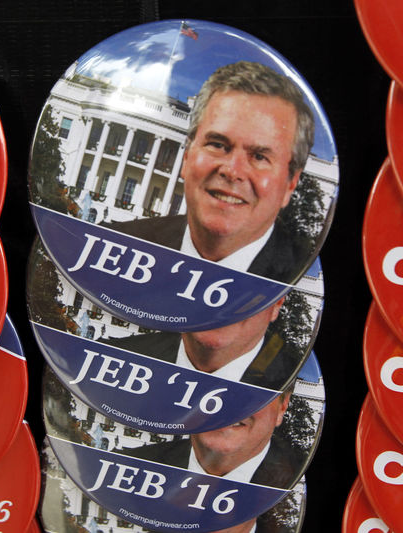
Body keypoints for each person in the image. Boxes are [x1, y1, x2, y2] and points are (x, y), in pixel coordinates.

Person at [110, 61, 316, 282]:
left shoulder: (295, 282)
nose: (232, 170)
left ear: (290, 184)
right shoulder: (117, 241)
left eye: (259, 157)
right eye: (218, 145)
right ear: (187, 156)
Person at [103, 296, 302, 391]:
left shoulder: (284, 375)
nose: (221, 298)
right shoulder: (111, 356)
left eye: (246, 290)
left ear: (277, 304)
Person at [121, 391, 300, 490]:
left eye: (251, 388)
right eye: (212, 383)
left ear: (282, 406)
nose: (225, 404)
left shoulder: (291, 485)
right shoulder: (123, 469)